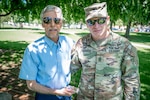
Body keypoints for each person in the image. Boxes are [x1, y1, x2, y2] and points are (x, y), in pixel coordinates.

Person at [71, 2, 140, 100]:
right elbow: (68, 68)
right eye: (91, 21)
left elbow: (132, 79)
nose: (96, 26)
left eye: (101, 20)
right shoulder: (81, 44)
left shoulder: (124, 45)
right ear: (86, 23)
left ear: (107, 20)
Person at [19, 5, 75, 100]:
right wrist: (56, 92)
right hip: (44, 96)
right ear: (43, 24)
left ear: (61, 23)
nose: (52, 24)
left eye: (56, 20)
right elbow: (31, 84)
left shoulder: (69, 43)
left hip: (66, 95)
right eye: (47, 20)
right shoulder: (33, 49)